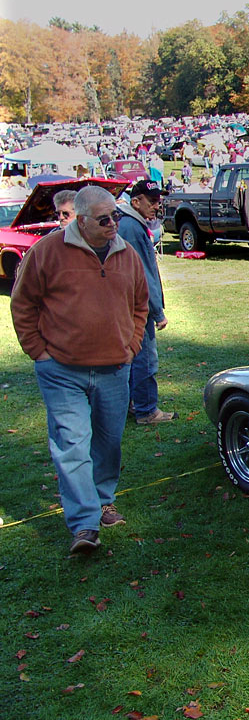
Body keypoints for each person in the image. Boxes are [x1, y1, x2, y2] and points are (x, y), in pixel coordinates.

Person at [11, 186, 149, 554]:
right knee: (72, 445)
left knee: (109, 442)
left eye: (116, 216)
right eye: (105, 219)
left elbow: (140, 303)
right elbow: (23, 303)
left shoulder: (127, 252)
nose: (113, 224)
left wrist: (131, 345)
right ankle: (84, 525)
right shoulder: (47, 252)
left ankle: (104, 499)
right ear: (82, 221)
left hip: (114, 368)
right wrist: (37, 352)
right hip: (61, 369)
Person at [119, 180, 177, 425]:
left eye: (158, 200)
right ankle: (146, 410)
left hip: (129, 304)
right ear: (136, 201)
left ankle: (135, 403)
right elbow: (143, 273)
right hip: (137, 306)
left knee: (134, 356)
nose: (157, 205)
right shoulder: (131, 227)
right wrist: (157, 310)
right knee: (145, 359)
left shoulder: (129, 223)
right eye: (152, 201)